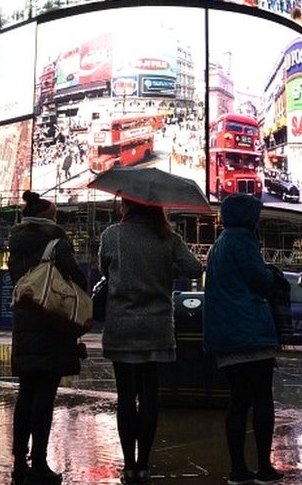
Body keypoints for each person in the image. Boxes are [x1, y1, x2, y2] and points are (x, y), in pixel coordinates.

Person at [99, 198, 202, 485]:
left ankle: (128, 465)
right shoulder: (168, 237)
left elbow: (105, 271)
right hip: (156, 328)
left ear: (128, 207)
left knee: (126, 397)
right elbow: (194, 268)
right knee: (149, 397)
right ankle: (143, 464)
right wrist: (167, 270)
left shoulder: (112, 235)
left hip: (121, 326)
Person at [203, 194, 285, 485]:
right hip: (250, 332)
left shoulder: (218, 245)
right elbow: (259, 281)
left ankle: (238, 469)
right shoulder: (242, 240)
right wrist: (270, 276)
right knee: (262, 397)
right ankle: (264, 466)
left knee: (237, 401)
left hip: (226, 335)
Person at [8, 191, 89, 485]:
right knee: (45, 395)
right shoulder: (57, 243)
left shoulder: (15, 244)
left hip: (25, 324)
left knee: (26, 394)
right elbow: (77, 279)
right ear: (44, 217)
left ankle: (19, 462)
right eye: (54, 214)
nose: (57, 218)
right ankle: (39, 463)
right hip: (51, 324)